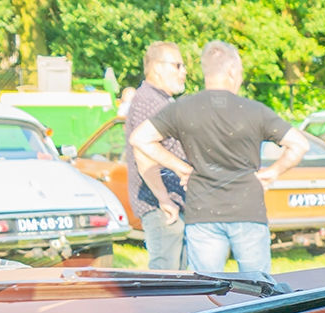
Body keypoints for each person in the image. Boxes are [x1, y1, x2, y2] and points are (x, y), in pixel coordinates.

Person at [129, 41, 309, 274]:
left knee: (206, 291)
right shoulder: (254, 110)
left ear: (206, 72)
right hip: (248, 211)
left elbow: (140, 138)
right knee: (259, 289)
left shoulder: (183, 108)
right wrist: (272, 173)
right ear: (233, 71)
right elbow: (299, 144)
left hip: (202, 214)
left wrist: (181, 167)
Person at [123, 42, 187, 269]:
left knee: (180, 282)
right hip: (160, 206)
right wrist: (164, 199)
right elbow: (143, 152)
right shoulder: (148, 100)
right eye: (178, 65)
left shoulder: (160, 99)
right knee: (167, 281)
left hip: (170, 202)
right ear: (157, 68)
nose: (184, 72)